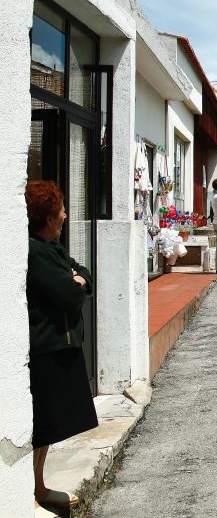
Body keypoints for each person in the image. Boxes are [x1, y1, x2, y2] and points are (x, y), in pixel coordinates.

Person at [25, 180, 98, 510]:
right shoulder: (37, 253)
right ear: (48, 218)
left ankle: (38, 486)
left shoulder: (50, 248)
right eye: (61, 211)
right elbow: (70, 294)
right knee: (44, 424)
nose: (65, 216)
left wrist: (78, 278)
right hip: (48, 347)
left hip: (60, 344)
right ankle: (35, 488)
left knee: (50, 424)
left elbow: (82, 273)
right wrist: (76, 281)